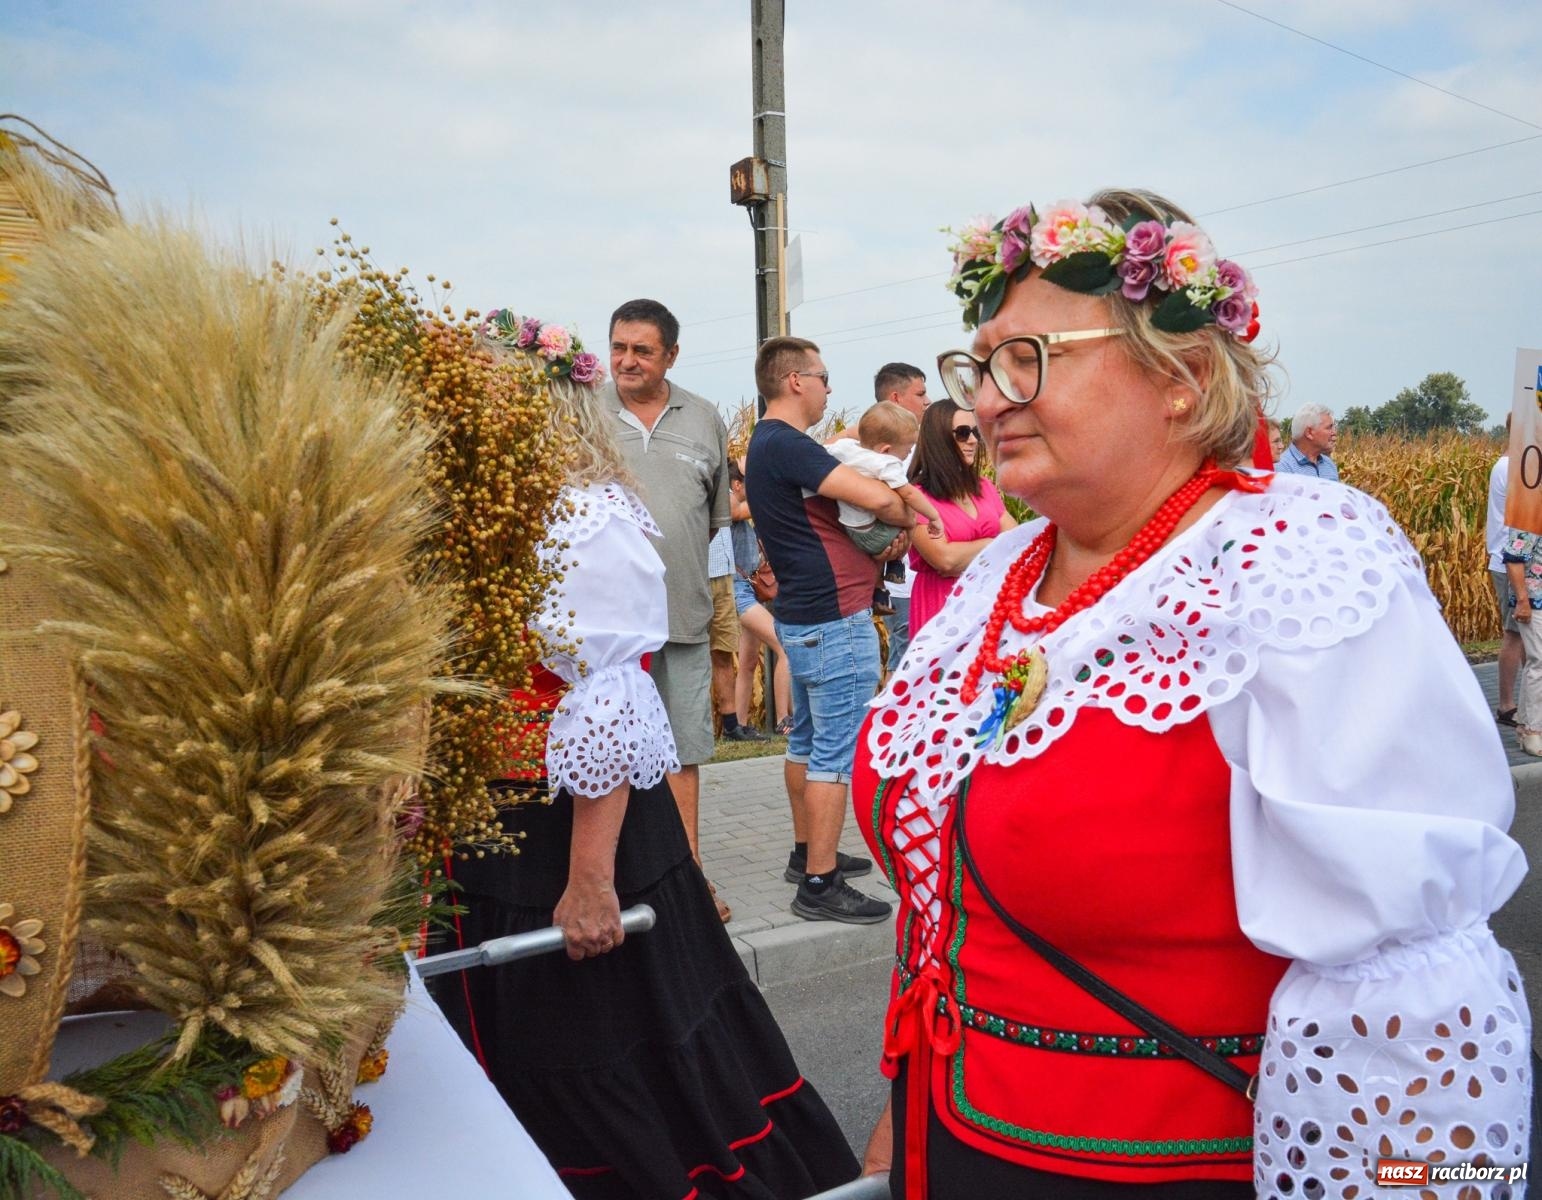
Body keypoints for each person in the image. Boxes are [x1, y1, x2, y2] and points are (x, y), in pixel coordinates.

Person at [855, 191, 1530, 1199]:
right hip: (955, 1135)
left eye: (1029, 356)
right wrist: (905, 1111)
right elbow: (953, 897)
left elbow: (1408, 973)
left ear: (1184, 378)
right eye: (978, 364)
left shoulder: (1289, 562)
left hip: (1162, 1166)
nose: (987, 400)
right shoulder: (999, 577)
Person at [434, 316, 860, 1200]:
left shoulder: (583, 512)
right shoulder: (479, 511)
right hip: (493, 833)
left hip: (578, 830)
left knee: (603, 1057)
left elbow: (607, 691)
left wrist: (591, 878)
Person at [745, 336, 905, 924]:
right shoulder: (787, 443)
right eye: (823, 376)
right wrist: (899, 501)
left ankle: (805, 851)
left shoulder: (766, 444)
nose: (828, 388)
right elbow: (874, 498)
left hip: (803, 615)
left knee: (807, 742)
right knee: (835, 758)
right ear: (795, 380)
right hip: (834, 617)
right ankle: (819, 883)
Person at [602, 298, 730, 912]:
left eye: (642, 350)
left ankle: (689, 887)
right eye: (619, 347)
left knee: (681, 752)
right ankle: (608, 883)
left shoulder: (704, 418)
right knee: (608, 757)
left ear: (671, 356)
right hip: (603, 631)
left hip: (680, 616)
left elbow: (709, 523)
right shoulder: (581, 412)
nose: (626, 361)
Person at [904, 399, 1017, 633]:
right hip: (942, 608)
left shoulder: (984, 486)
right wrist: (995, 543)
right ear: (939, 439)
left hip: (989, 605)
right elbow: (945, 559)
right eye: (963, 433)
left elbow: (1017, 542)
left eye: (974, 431)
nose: (974, 440)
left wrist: (969, 551)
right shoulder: (916, 497)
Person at [825, 403, 945, 615]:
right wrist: (933, 516)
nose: (906, 456)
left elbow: (820, 449)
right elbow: (909, 493)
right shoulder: (885, 463)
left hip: (849, 528)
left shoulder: (845, 448)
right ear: (886, 450)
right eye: (906, 450)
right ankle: (896, 565)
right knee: (910, 518)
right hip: (873, 534)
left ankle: (879, 590)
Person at [872, 363, 932, 670]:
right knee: (908, 659)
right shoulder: (880, 452)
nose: (927, 401)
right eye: (920, 393)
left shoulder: (921, 444)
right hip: (905, 581)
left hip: (927, 576)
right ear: (896, 398)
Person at [728, 455, 792, 735]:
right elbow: (737, 512)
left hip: (745, 589)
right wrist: (762, 481)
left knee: (748, 660)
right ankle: (784, 720)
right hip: (736, 589)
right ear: (736, 484)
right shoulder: (728, 500)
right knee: (784, 645)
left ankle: (740, 724)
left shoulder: (738, 503)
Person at [709, 524, 764, 743]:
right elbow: (732, 510)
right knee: (695, 654)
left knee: (724, 652)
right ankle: (783, 719)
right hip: (700, 572)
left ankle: (733, 725)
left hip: (725, 574)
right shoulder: (729, 497)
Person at [1489, 418, 1524, 725]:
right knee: (1515, 634)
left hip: (1517, 560)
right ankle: (1506, 705)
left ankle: (1523, 702)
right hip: (1510, 561)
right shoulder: (1510, 467)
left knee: (1527, 636)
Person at [1502, 523, 1542, 756]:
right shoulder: (1529, 514)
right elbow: (1514, 557)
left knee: (1536, 664)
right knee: (1538, 663)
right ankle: (1534, 730)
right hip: (1534, 599)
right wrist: (1522, 600)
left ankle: (1526, 728)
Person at [1274, 401, 1339, 479]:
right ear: (1309, 433)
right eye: (1329, 427)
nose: (1334, 433)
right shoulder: (1281, 468)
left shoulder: (1329, 465)